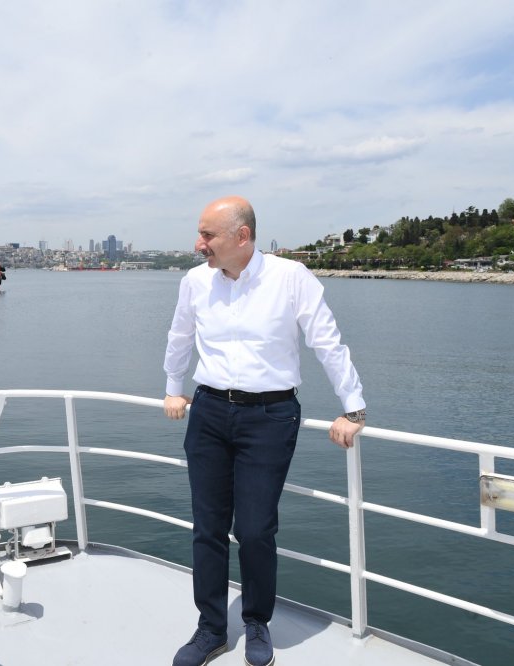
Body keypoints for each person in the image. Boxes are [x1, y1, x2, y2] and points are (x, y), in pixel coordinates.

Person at [164, 196, 366, 666]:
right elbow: (179, 336)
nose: (198, 244)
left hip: (270, 417)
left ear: (242, 236)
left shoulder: (290, 277)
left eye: (208, 235)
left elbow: (327, 341)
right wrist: (173, 389)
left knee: (255, 529)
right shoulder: (195, 281)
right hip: (209, 412)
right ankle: (211, 628)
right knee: (208, 527)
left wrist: (353, 408)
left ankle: (256, 620)